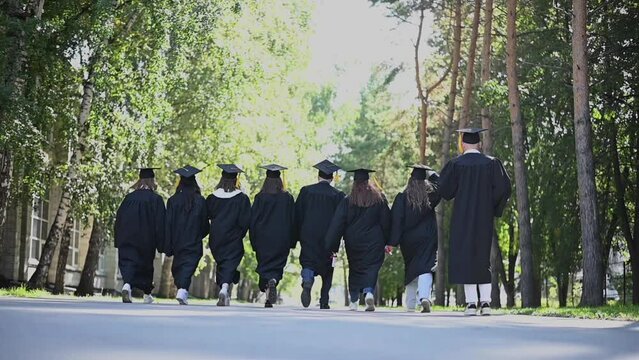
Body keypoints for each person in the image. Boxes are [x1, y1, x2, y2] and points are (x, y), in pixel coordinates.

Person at [438, 128, 512, 316]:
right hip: (483, 218)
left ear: (463, 144)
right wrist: (491, 206)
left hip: (462, 218)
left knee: (465, 257)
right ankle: (486, 303)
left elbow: (445, 190)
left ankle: (471, 304)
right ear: (479, 144)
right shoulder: (492, 164)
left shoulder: (456, 164)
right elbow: (504, 187)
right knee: (482, 257)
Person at [325, 168, 391, 312]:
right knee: (372, 267)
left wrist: (332, 245)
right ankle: (368, 292)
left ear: (354, 183)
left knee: (355, 269)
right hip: (375, 240)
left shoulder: (348, 200)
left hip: (353, 241)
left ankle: (354, 301)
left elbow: (337, 224)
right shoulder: (379, 199)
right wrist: (388, 241)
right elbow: (386, 221)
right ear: (368, 181)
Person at [293, 160, 346, 309]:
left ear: (318, 176)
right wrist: (340, 237)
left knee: (308, 261)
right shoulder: (338, 195)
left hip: (308, 234)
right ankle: (324, 300)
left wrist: (297, 235)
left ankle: (308, 278)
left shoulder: (306, 191)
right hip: (330, 237)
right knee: (328, 268)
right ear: (332, 178)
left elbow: (297, 215)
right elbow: (341, 219)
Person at [388, 165, 440, 313]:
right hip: (427, 238)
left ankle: (410, 303)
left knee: (412, 268)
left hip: (408, 240)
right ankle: (424, 297)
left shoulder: (401, 198)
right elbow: (441, 184)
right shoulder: (430, 196)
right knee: (426, 267)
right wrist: (432, 174)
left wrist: (392, 242)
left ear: (410, 180)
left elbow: (396, 222)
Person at [114, 167, 165, 304]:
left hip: (127, 237)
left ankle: (127, 285)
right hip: (146, 239)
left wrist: (118, 239)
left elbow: (119, 219)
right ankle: (147, 294)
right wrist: (161, 243)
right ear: (152, 180)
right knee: (145, 265)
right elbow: (161, 223)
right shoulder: (156, 199)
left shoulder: (128, 198)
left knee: (128, 262)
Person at [249, 164, 295, 308]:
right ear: (280, 181)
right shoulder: (287, 198)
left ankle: (268, 287)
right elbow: (293, 220)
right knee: (277, 266)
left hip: (263, 238)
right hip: (282, 238)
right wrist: (292, 241)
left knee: (264, 265)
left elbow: (253, 221)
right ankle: (273, 282)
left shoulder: (260, 197)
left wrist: (253, 240)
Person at [206, 164, 251, 307]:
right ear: (235, 179)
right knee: (230, 262)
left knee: (222, 263)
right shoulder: (241, 198)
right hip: (233, 236)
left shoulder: (212, 198)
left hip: (216, 236)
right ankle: (225, 287)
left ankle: (224, 288)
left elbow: (207, 215)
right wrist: (240, 234)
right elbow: (245, 221)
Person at [165, 165, 209, 305]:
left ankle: (182, 289)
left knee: (179, 266)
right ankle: (182, 289)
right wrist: (200, 234)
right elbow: (204, 224)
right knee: (188, 266)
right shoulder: (200, 201)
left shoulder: (173, 200)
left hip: (178, 241)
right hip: (193, 240)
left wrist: (169, 242)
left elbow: (168, 223)